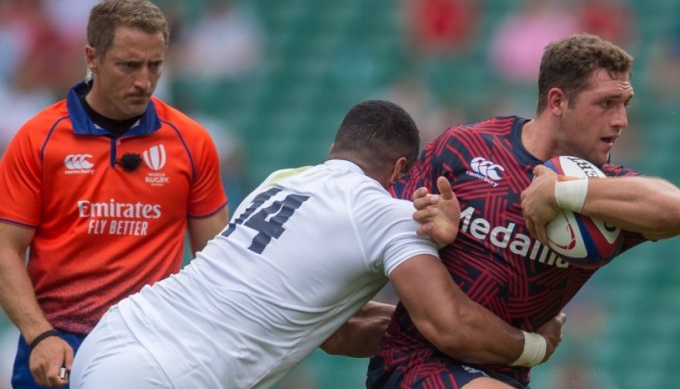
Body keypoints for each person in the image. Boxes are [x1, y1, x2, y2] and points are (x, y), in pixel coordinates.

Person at [69, 100, 565, 389]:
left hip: (116, 335)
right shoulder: (385, 212)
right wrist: (533, 345)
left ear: (334, 148)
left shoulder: (279, 180)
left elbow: (332, 328)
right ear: (400, 172)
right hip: (168, 375)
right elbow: (448, 324)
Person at [367, 33, 680, 388]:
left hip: (504, 372)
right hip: (416, 364)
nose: (622, 120)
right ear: (558, 101)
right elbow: (375, 230)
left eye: (626, 103)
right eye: (607, 103)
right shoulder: (465, 147)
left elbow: (674, 208)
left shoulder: (602, 192)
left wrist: (564, 192)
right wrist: (421, 228)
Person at [0, 0, 229, 388]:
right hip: (57, 343)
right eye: (128, 65)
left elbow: (218, 260)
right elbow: (5, 246)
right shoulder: (38, 139)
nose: (144, 81)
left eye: (155, 65)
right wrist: (39, 334)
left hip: (151, 347)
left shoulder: (192, 143)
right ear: (92, 57)